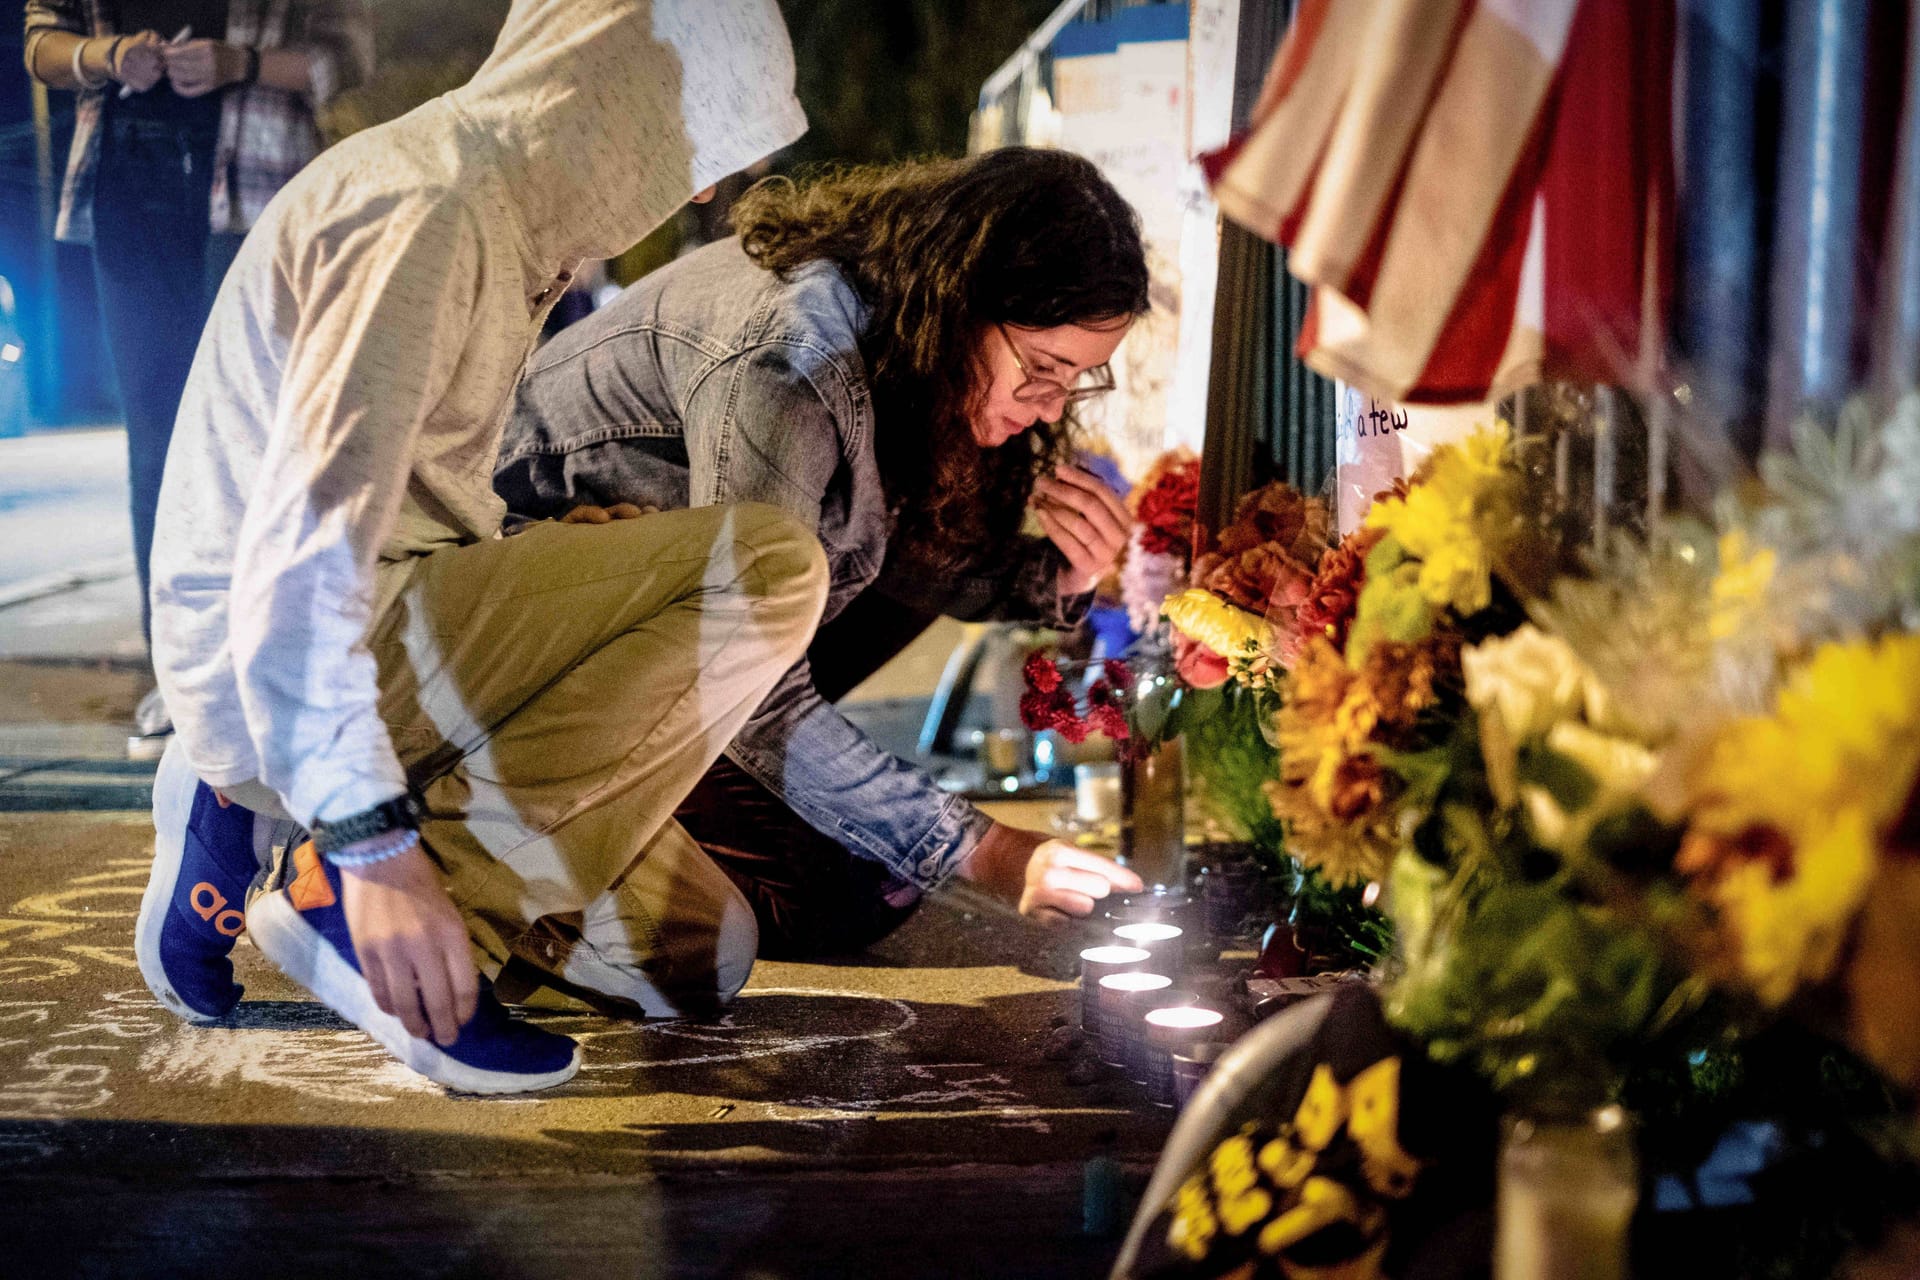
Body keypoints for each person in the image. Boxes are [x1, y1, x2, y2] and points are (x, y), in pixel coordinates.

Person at [134, 0, 817, 1095]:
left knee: (697, 955)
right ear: (617, 94)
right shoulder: (430, 208)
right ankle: (329, 872)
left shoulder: (504, 222)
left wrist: (537, 554)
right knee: (771, 568)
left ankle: (248, 806)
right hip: (293, 641)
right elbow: (304, 557)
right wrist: (380, 852)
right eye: (701, 146)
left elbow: (404, 499)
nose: (695, 190)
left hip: (370, 632)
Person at [495, 148, 1151, 962]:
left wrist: (1060, 576)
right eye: (1041, 368)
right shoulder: (790, 368)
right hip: (521, 658)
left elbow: (889, 548)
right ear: (957, 300)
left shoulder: (897, 340)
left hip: (666, 635)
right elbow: (749, 680)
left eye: (1078, 380)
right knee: (840, 895)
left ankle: (645, 816)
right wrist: (990, 852)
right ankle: (502, 833)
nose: (1050, 404)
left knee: (878, 859)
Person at [22, 0, 375, 759]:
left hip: (258, 198)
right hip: (123, 195)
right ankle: (182, 683)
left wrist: (237, 65)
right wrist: (108, 56)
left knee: (266, 436)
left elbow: (346, 58)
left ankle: (279, 667)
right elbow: (39, 42)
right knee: (157, 444)